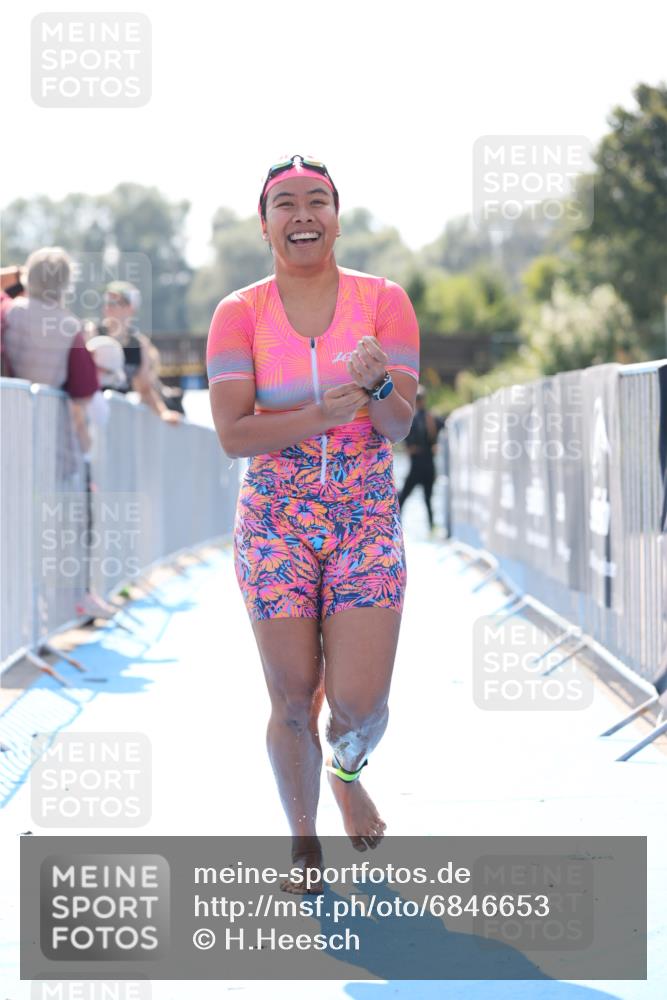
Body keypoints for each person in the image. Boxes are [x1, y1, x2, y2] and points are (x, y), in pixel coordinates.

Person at [207, 155, 419, 894]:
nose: (302, 213)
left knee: (360, 707)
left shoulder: (383, 300)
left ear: (336, 215)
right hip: (274, 517)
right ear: (264, 222)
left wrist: (378, 383)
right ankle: (302, 842)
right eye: (285, 203)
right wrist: (320, 415)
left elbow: (395, 426)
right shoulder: (239, 312)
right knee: (293, 700)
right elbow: (233, 434)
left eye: (317, 201)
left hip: (362, 511)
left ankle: (347, 770)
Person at [94, 281, 182, 424]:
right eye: (106, 301)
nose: (107, 307)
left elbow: (144, 389)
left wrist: (164, 413)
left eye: (114, 302)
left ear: (130, 308)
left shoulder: (140, 345)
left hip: (117, 419)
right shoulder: (93, 333)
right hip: (93, 414)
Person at [398, 385, 444, 533]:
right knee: (428, 500)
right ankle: (431, 528)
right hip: (429, 465)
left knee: (402, 498)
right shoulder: (433, 418)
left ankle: (396, 527)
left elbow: (403, 439)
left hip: (417, 465)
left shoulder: (412, 418)